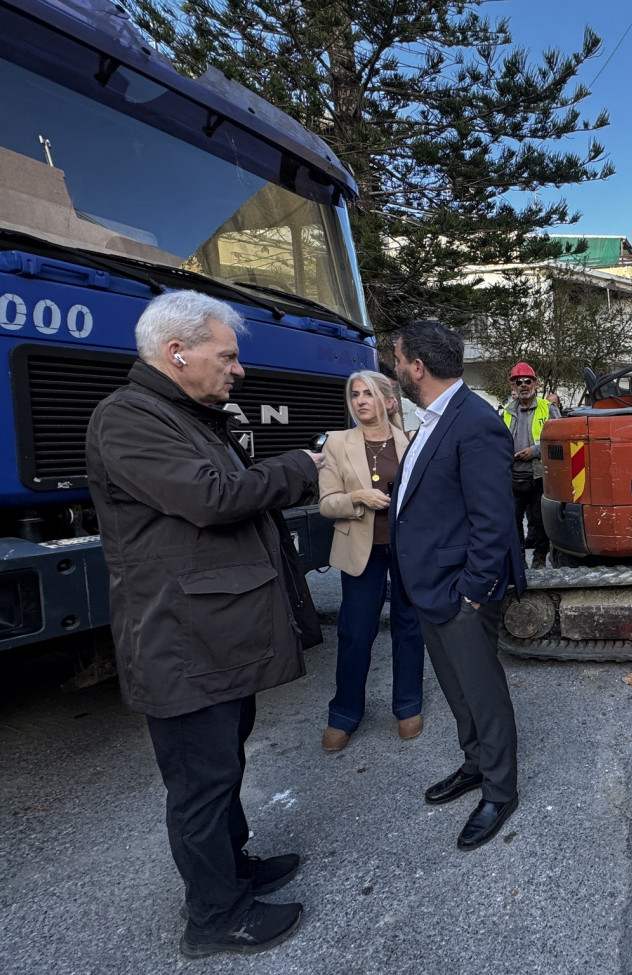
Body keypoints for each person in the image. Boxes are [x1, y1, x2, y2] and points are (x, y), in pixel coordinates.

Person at [84, 290, 323, 957]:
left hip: (206, 634)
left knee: (223, 763)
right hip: (179, 641)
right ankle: (215, 917)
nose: (237, 369)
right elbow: (213, 498)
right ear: (176, 352)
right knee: (200, 780)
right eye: (228, 355)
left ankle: (233, 866)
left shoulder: (182, 414)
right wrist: (301, 467)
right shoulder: (127, 419)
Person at [390, 320, 526, 850]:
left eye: (397, 359)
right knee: (455, 687)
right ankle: (475, 763)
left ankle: (500, 788)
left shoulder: (474, 421)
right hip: (428, 584)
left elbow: (494, 521)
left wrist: (472, 592)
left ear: (417, 367)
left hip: (459, 590)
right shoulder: (431, 419)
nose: (394, 367)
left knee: (482, 691)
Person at [316, 371, 425, 752]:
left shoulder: (410, 442)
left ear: (388, 401)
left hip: (404, 549)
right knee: (354, 633)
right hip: (360, 551)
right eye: (354, 394)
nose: (360, 400)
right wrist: (358, 497)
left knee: (408, 628)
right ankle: (344, 714)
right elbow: (327, 503)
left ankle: (408, 705)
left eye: (368, 394)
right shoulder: (337, 443)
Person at [502, 361, 552, 568]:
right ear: (513, 386)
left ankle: (540, 558)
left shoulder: (547, 409)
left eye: (527, 381)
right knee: (513, 522)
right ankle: (519, 559)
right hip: (513, 477)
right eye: (518, 382)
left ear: (535, 384)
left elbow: (556, 440)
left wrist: (534, 451)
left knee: (540, 522)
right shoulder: (506, 411)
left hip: (539, 476)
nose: (523, 385)